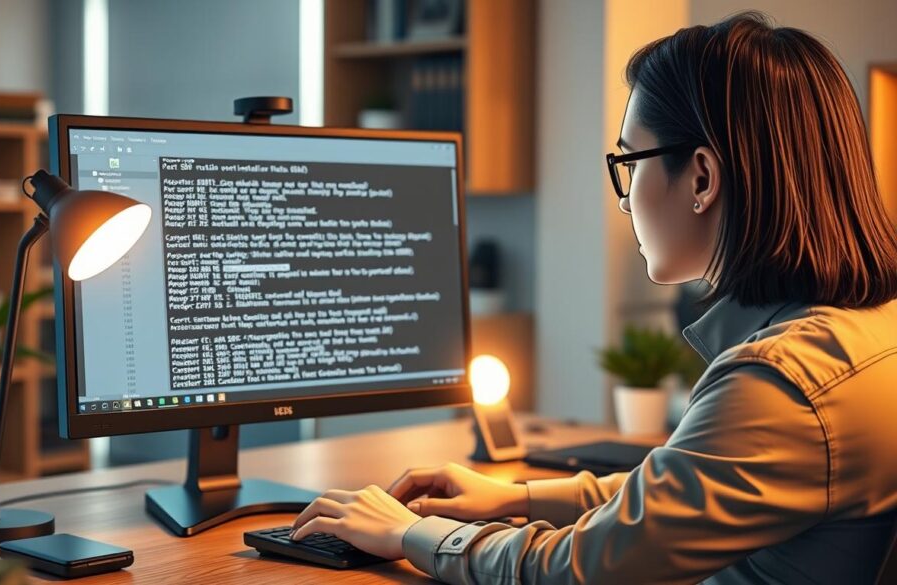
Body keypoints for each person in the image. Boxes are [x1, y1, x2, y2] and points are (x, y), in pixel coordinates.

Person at [289, 12, 897, 584]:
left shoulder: (778, 384)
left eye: (631, 163)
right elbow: (675, 494)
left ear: (703, 178)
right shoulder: (864, 334)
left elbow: (581, 568)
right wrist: (517, 497)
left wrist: (414, 534)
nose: (626, 199)